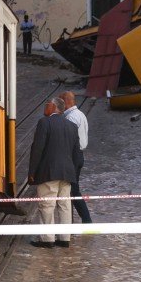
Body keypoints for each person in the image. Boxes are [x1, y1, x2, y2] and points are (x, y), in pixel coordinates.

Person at [28, 98, 83, 248]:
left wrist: (32, 171)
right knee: (65, 204)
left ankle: (47, 239)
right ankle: (65, 238)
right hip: (67, 172)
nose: (44, 108)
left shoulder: (44, 123)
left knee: (47, 204)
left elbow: (38, 149)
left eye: (46, 105)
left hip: (49, 171)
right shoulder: (72, 126)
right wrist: (74, 172)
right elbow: (76, 153)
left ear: (53, 107)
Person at [61, 91, 93, 224]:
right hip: (79, 155)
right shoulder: (80, 114)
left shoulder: (71, 118)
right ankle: (80, 220)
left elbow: (69, 141)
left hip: (73, 156)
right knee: (72, 190)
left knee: (73, 190)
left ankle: (86, 220)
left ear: (65, 102)